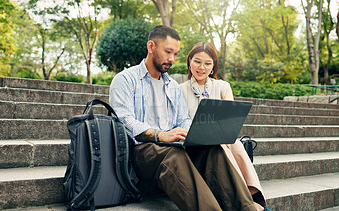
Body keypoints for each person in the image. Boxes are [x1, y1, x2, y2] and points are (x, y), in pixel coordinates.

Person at [109, 25, 259, 211]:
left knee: (212, 150)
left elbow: (183, 119)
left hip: (173, 146)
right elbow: (124, 121)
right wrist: (160, 135)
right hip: (142, 152)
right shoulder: (125, 79)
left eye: (175, 54)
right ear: (151, 46)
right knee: (174, 155)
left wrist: (193, 135)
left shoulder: (172, 86)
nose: (171, 59)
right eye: (168, 52)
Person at [180, 41, 269, 210]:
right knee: (222, 144)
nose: (201, 67)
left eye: (207, 63)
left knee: (232, 142)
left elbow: (230, 122)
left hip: (222, 143)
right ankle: (247, 198)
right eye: (197, 61)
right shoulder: (179, 90)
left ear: (213, 67)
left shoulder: (222, 87)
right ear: (189, 61)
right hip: (194, 149)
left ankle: (254, 196)